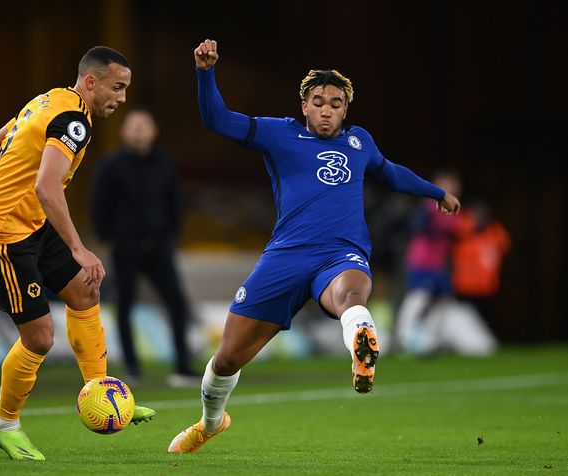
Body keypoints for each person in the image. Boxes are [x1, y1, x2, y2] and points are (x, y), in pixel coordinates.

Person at [167, 39, 461, 454]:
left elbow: (390, 172)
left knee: (351, 294)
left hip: (340, 252)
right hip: (285, 256)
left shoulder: (360, 143)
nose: (327, 109)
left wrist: (434, 192)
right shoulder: (278, 133)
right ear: (304, 105)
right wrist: (205, 72)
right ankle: (210, 423)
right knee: (227, 358)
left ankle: (362, 339)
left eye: (336, 103)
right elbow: (217, 120)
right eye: (319, 101)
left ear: (346, 110)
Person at [0, 46, 155, 461]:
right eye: (117, 87)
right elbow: (46, 187)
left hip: (28, 223)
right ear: (91, 82)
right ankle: (5, 424)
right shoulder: (73, 122)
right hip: (2, 235)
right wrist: (77, 247)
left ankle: (104, 394)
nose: (121, 98)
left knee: (85, 291)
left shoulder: (50, 98)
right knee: (39, 337)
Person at [91, 108, 199, 387]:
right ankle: (132, 368)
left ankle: (183, 366)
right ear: (123, 131)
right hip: (125, 247)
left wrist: (171, 237)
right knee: (124, 305)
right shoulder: (110, 165)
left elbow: (175, 203)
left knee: (176, 302)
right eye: (133, 126)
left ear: (154, 131)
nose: (139, 131)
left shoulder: (165, 163)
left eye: (144, 126)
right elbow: (98, 204)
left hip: (160, 247)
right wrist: (108, 236)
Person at [394, 170, 462, 353]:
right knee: (417, 299)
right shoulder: (429, 207)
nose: (451, 188)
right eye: (446, 184)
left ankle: (431, 342)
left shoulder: (455, 210)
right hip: (422, 262)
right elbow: (415, 227)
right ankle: (402, 340)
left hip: (439, 264)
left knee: (443, 302)